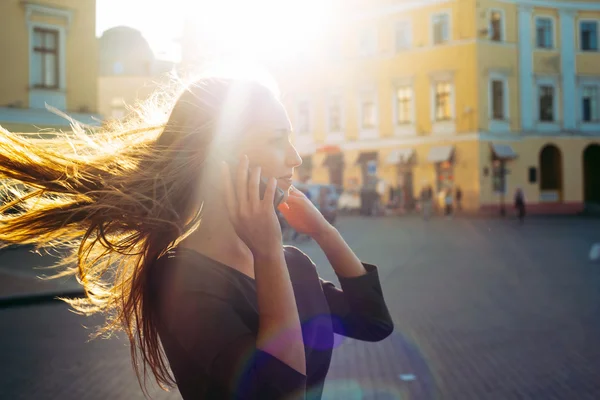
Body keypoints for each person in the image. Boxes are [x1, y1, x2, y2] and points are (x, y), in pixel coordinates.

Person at [0, 78, 393, 399]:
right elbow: (280, 393)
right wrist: (267, 251)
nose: (296, 158)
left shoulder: (293, 264)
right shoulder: (180, 281)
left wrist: (323, 231)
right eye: (277, 139)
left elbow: (372, 321)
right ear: (220, 153)